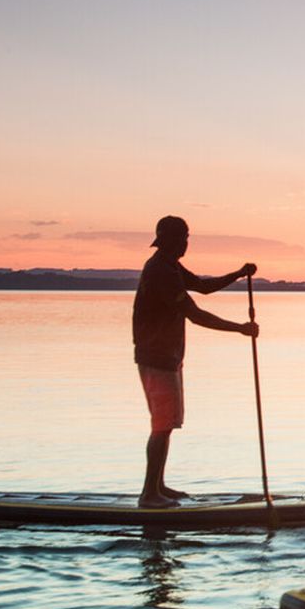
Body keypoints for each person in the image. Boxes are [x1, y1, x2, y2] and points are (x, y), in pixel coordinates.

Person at [133, 215, 258, 508]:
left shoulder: (170, 266)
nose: (186, 242)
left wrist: (238, 274)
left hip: (169, 357)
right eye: (183, 237)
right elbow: (194, 313)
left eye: (187, 237)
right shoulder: (160, 270)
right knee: (161, 425)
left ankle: (158, 485)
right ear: (170, 240)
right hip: (156, 357)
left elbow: (202, 286)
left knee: (166, 424)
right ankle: (149, 495)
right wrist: (239, 328)